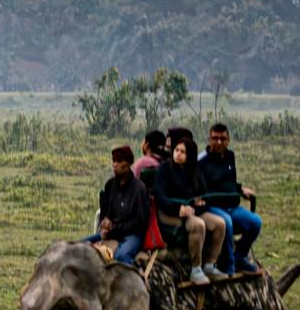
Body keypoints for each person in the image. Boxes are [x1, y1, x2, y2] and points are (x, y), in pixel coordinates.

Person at [151, 131, 226, 285]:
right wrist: (179, 209)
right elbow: (160, 196)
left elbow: (204, 196)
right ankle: (195, 268)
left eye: (183, 152)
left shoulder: (194, 170)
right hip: (170, 213)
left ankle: (210, 265)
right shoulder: (165, 169)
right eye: (177, 150)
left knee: (220, 223)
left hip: (191, 212)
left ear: (190, 155)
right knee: (198, 225)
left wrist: (196, 207)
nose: (178, 154)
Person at [201, 122, 261, 274]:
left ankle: (240, 255)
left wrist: (240, 189)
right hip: (213, 208)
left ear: (228, 140)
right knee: (226, 222)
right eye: (215, 138)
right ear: (209, 140)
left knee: (255, 222)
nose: (219, 142)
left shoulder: (230, 156)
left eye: (223, 139)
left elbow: (229, 181)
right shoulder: (202, 161)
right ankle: (229, 266)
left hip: (232, 206)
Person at [88, 144, 150, 265]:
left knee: (121, 256)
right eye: (114, 161)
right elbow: (105, 212)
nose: (115, 165)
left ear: (128, 164)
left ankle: (136, 278)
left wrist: (114, 227)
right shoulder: (110, 185)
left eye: (119, 161)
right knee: (79, 246)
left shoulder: (139, 189)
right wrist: (104, 224)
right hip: (111, 232)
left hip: (132, 235)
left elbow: (140, 223)